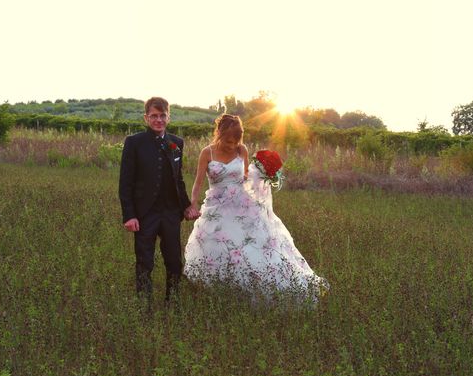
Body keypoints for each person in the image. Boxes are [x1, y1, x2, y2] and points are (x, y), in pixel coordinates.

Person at [183, 114, 327, 301]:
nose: (232, 145)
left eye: (236, 141)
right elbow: (197, 183)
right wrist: (193, 203)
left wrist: (264, 174)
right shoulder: (207, 153)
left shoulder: (242, 150)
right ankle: (220, 288)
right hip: (217, 207)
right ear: (218, 133)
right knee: (215, 244)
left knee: (249, 245)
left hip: (242, 206)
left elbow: (245, 179)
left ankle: (251, 287)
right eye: (228, 141)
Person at [118, 97, 197, 309]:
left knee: (174, 261)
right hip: (144, 214)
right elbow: (125, 182)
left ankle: (174, 303)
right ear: (146, 117)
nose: (158, 120)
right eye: (154, 116)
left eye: (162, 116)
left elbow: (177, 179)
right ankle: (144, 306)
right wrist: (129, 215)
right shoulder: (134, 143)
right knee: (145, 262)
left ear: (168, 117)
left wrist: (187, 206)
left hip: (170, 212)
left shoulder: (176, 143)